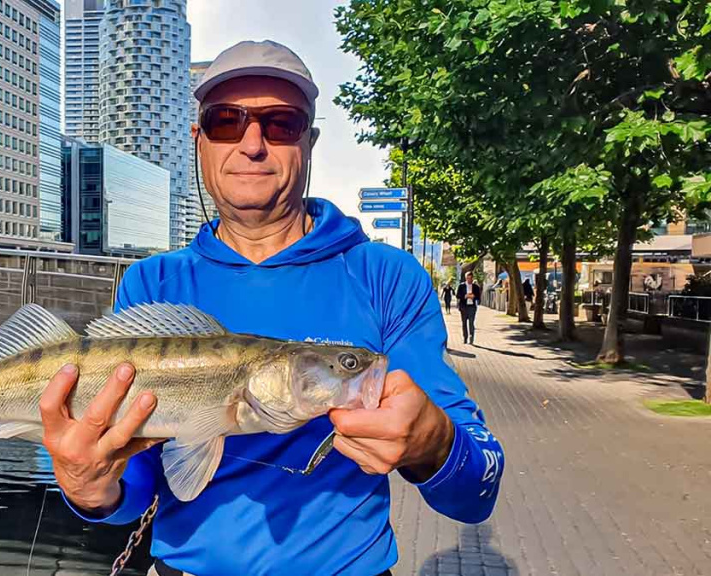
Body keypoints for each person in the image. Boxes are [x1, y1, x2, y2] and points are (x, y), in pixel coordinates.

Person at [40, 40, 504, 576]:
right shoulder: (152, 281)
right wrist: (89, 487)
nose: (252, 143)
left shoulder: (386, 276)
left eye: (280, 123)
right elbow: (137, 482)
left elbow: (476, 495)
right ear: (200, 141)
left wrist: (434, 443)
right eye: (226, 121)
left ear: (309, 140)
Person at [457, 271, 483, 345]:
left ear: (472, 278)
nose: (469, 280)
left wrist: (474, 296)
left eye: (470, 278)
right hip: (464, 307)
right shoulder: (461, 286)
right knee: (464, 323)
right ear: (465, 278)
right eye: (468, 278)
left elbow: (478, 296)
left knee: (471, 323)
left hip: (472, 307)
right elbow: (458, 295)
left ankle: (471, 337)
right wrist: (465, 296)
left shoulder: (475, 287)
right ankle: (465, 337)